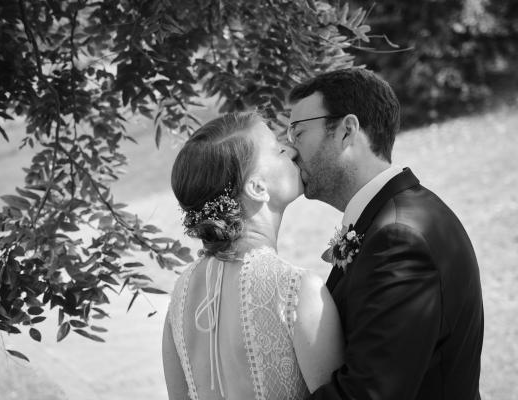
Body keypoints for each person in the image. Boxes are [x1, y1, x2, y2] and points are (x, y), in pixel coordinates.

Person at [286, 68, 484, 400]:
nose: (291, 150)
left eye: (298, 132)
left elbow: (368, 393)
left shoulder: (399, 239)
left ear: (347, 131)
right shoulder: (393, 219)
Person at [162, 112, 344, 400]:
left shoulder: (180, 297)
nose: (292, 151)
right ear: (257, 188)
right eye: (277, 150)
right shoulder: (296, 291)